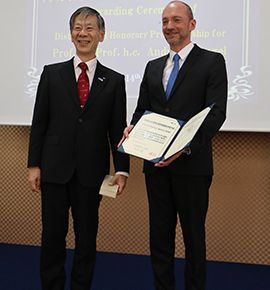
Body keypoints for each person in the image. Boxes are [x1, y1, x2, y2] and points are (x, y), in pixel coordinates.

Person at [121, 1, 227, 290]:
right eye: (165, 21)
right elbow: (142, 111)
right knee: (159, 238)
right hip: (155, 168)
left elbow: (216, 113)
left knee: (194, 239)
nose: (170, 26)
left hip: (192, 166)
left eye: (177, 20)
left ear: (192, 24)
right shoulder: (153, 66)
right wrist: (133, 129)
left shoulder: (212, 61)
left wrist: (185, 147)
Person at [27, 6, 129, 290]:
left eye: (90, 28)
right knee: (52, 238)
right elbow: (40, 123)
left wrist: (122, 169)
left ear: (102, 35)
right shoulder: (51, 74)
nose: (83, 33)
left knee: (86, 240)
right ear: (71, 34)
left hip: (91, 173)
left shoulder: (115, 80)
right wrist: (33, 164)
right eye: (77, 28)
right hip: (54, 170)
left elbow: (117, 131)